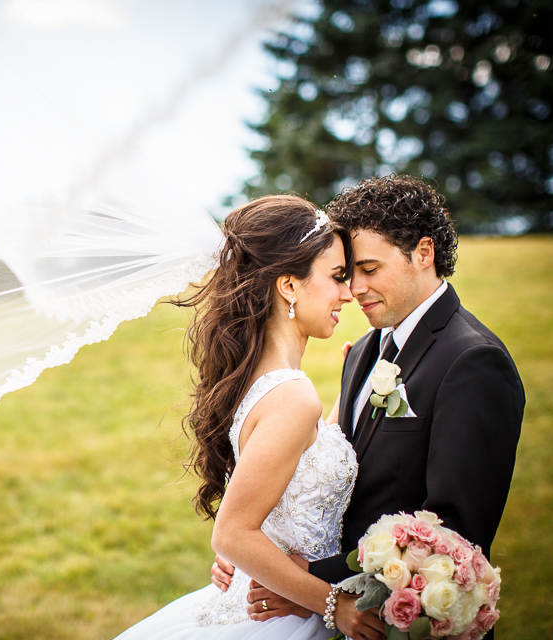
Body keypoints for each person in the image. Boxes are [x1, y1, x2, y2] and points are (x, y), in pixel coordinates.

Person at [212, 175, 524, 640]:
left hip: (401, 622)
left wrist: (311, 576)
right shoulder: (364, 350)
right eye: (346, 272)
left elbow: (454, 535)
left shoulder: (473, 362)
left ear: (423, 253)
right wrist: (264, 550)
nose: (354, 288)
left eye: (370, 269)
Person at [115, 194, 361, 640]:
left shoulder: (261, 379)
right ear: (289, 285)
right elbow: (232, 534)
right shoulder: (293, 395)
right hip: (287, 619)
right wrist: (336, 606)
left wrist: (351, 392)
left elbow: (295, 464)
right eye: (336, 277)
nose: (348, 292)